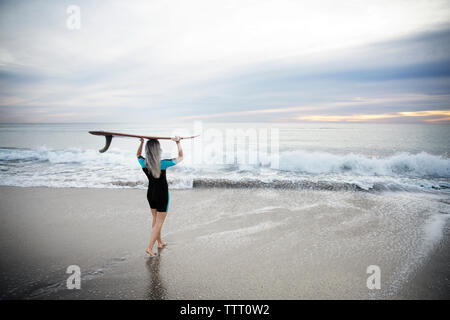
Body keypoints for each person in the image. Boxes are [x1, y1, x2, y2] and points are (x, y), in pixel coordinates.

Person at [137, 136, 183, 257]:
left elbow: (138, 155)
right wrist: (178, 143)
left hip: (150, 194)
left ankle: (160, 242)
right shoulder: (163, 163)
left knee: (155, 220)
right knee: (159, 223)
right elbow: (181, 157)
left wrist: (141, 143)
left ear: (147, 150)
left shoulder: (143, 162)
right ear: (158, 150)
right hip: (162, 194)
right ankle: (149, 248)